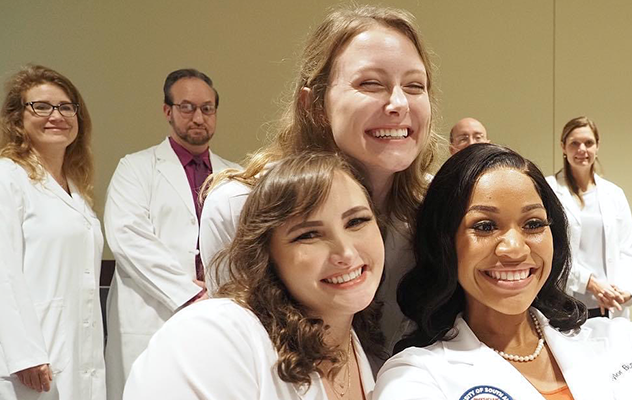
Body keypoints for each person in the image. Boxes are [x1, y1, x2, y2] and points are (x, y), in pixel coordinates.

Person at [375, 144, 632, 400]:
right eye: (485, 226)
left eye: (534, 224)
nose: (515, 249)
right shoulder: (416, 375)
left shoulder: (616, 341)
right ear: (445, 243)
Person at [200, 4, 438, 365]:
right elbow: (237, 359)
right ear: (314, 106)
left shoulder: (436, 210)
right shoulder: (239, 206)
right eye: (370, 83)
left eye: (415, 86)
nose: (399, 103)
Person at [123, 153, 383, 400]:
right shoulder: (215, 336)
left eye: (357, 221)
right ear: (266, 256)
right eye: (308, 235)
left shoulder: (354, 348)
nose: (346, 253)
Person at [103, 68, 240, 398]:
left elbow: (246, 244)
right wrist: (189, 293)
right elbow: (128, 237)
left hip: (219, 313)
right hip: (153, 314)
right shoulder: (135, 168)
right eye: (187, 107)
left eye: (207, 108)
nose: (198, 117)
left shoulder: (234, 175)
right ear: (168, 111)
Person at [0, 65, 105, 399]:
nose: (56, 115)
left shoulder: (75, 188)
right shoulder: (8, 177)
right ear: (17, 120)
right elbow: (4, 271)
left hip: (77, 349)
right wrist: (26, 353)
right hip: (32, 360)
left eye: (65, 107)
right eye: (41, 107)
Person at [546, 116, 632, 318]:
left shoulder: (614, 194)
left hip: (611, 303)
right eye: (574, 143)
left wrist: (625, 290)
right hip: (569, 301)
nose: (582, 149)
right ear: (563, 147)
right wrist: (591, 283)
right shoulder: (549, 190)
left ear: (597, 146)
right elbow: (551, 251)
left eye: (589, 143)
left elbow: (628, 250)